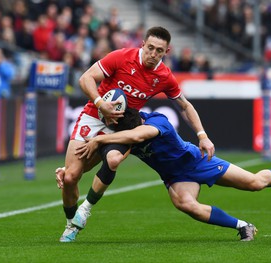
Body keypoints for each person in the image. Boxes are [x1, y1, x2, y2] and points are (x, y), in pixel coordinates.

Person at [68, 108, 271, 242]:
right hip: (175, 177)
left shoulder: (157, 121)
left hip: (197, 162)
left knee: (254, 183)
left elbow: (137, 136)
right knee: (185, 204)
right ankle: (243, 226)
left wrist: (102, 139)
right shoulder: (124, 136)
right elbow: (112, 158)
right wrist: (71, 170)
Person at [56, 26, 215, 242]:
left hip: (122, 127)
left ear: (166, 52)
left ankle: (85, 210)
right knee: (71, 177)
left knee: (112, 160)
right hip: (94, 116)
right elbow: (86, 79)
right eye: (150, 48)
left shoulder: (164, 76)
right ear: (142, 45)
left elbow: (185, 106)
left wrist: (202, 134)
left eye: (159, 50)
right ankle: (69, 220)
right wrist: (101, 103)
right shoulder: (121, 57)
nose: (153, 53)